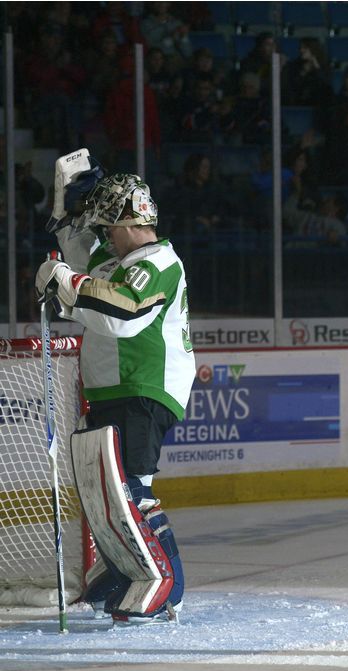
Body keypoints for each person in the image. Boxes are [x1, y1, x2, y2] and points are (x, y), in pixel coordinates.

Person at [36, 161, 194, 624]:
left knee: (132, 492)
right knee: (102, 490)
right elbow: (84, 262)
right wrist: (66, 220)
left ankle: (166, 584)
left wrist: (66, 281)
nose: (102, 231)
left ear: (126, 221)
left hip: (145, 388)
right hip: (110, 390)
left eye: (107, 223)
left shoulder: (157, 262)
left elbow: (121, 312)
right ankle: (129, 571)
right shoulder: (115, 260)